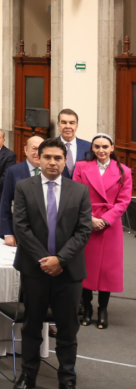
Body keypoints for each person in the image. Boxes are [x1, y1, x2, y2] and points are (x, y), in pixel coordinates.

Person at [12, 138, 91, 389]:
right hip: (35, 270)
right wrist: (44, 260)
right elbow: (21, 227)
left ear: (64, 159)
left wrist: (60, 260)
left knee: (68, 329)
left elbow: (83, 231)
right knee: (32, 325)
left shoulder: (79, 191)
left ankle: (67, 381)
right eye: (47, 157)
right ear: (39, 158)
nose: (53, 162)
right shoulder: (23, 187)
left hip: (68, 273)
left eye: (58, 157)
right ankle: (28, 374)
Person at [72, 134, 132, 330]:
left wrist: (105, 220)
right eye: (97, 147)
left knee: (108, 270)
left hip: (110, 225)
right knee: (86, 268)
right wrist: (89, 219)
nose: (101, 150)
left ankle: (103, 308)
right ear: (92, 148)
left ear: (112, 148)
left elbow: (123, 202)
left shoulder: (124, 171)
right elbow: (75, 195)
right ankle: (87, 307)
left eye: (105, 146)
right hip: (87, 221)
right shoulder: (81, 167)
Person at [0, 136, 45, 246]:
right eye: (34, 148)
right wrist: (7, 233)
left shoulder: (51, 171)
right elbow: (5, 202)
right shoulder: (14, 171)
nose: (37, 153)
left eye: (41, 149)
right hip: (21, 231)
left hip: (45, 233)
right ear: (26, 150)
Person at [56, 109, 91, 179]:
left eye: (72, 123)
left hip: (80, 188)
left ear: (76, 126)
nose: (68, 126)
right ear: (58, 125)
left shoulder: (89, 147)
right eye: (64, 122)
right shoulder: (49, 145)